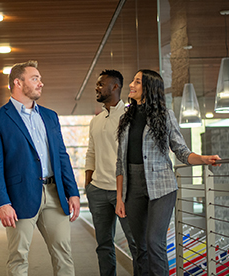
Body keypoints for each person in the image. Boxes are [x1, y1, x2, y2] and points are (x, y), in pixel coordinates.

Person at [115, 69, 221, 276]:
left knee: (154, 241)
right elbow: (120, 162)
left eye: (137, 82)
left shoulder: (165, 115)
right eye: (133, 81)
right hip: (133, 186)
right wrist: (119, 197)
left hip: (162, 186)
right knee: (139, 247)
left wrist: (201, 159)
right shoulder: (126, 118)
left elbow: (181, 151)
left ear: (149, 88)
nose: (131, 85)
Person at [0, 60, 80, 276]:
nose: (41, 83)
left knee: (64, 254)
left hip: (55, 194)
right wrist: (2, 203)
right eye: (35, 78)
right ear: (18, 82)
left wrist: (72, 192)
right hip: (20, 196)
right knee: (18, 257)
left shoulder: (50, 116)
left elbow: (62, 156)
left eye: (40, 78)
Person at [85, 69, 138, 276]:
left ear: (115, 87)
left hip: (124, 192)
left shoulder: (129, 116)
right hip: (98, 190)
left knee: (135, 244)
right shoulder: (95, 121)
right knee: (104, 244)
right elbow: (91, 152)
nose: (97, 87)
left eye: (101, 84)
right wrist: (88, 183)